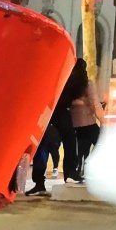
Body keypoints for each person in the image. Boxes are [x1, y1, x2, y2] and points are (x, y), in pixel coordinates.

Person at [26, 66, 80, 197]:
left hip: (50, 106)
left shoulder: (60, 70)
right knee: (67, 141)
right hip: (54, 107)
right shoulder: (68, 72)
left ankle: (41, 183)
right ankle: (69, 175)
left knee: (44, 146)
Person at [64, 61, 104, 183]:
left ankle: (76, 173)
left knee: (80, 150)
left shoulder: (68, 83)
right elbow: (95, 103)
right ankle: (91, 170)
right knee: (102, 144)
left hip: (74, 124)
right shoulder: (87, 84)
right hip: (88, 123)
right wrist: (104, 120)